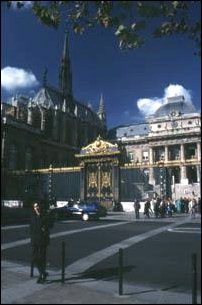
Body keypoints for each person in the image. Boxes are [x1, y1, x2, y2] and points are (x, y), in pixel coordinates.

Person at [30, 202, 52, 284]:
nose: (36, 208)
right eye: (35, 206)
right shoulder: (33, 216)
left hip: (43, 240)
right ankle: (43, 273)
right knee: (34, 258)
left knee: (42, 258)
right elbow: (32, 227)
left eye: (38, 206)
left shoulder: (45, 215)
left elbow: (50, 225)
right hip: (35, 240)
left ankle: (42, 275)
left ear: (40, 206)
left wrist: (44, 225)